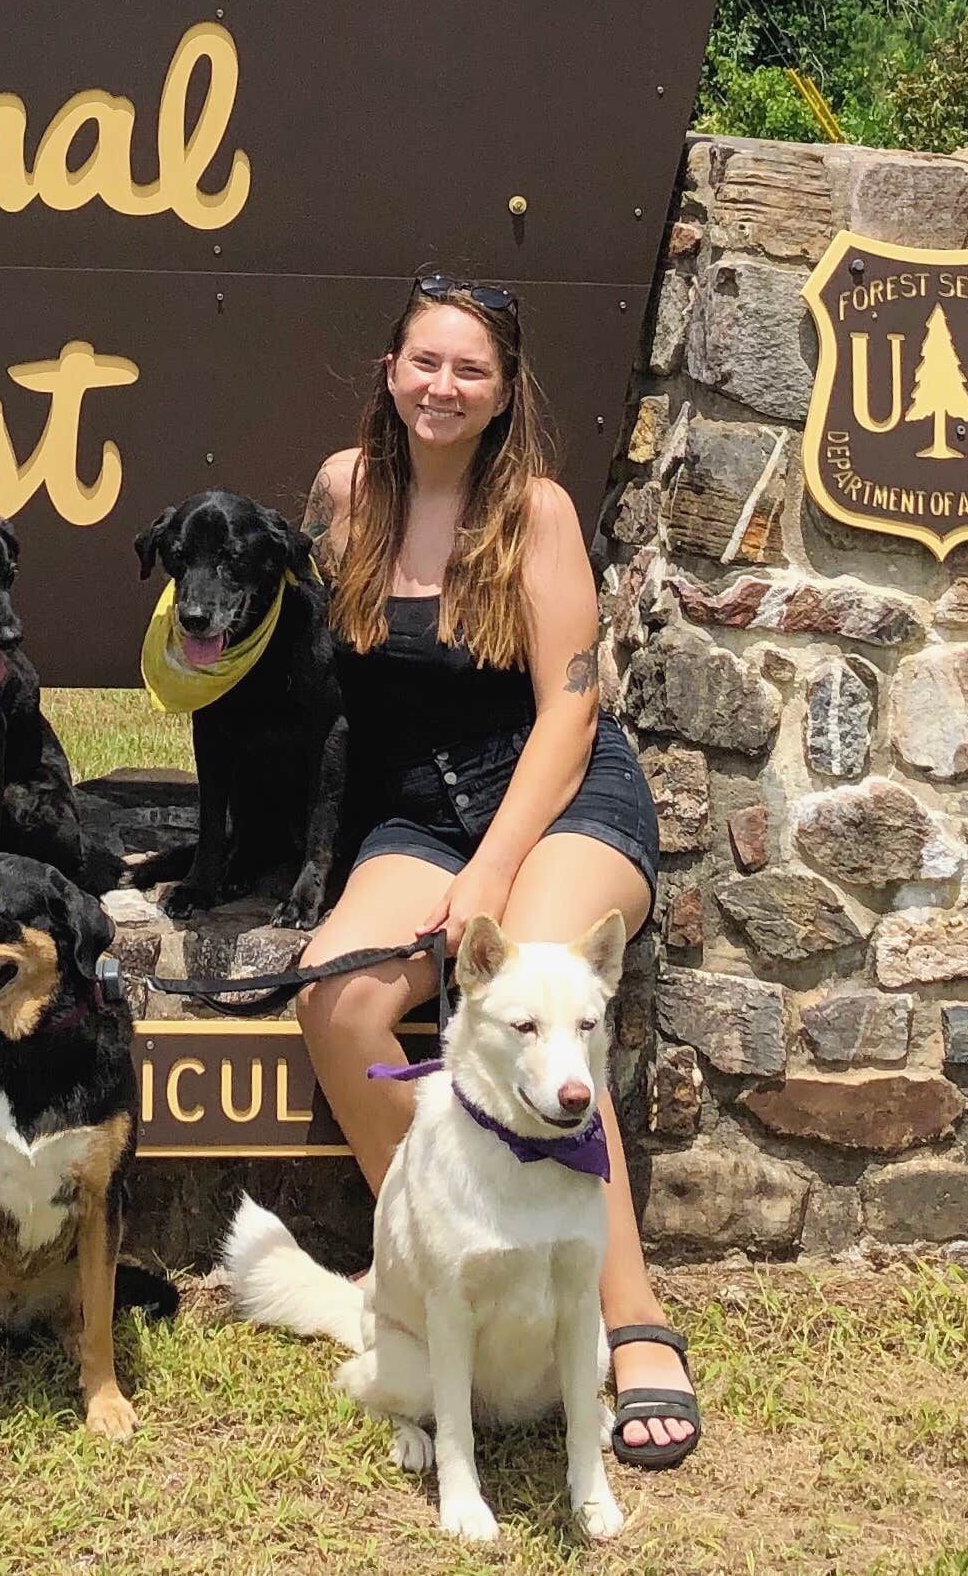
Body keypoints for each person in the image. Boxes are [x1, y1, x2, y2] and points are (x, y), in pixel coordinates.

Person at [292, 271, 700, 1469]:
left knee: (540, 996)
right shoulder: (342, 493)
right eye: (425, 360)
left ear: (503, 389)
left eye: (470, 368)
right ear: (389, 368)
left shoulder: (538, 512)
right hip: (414, 816)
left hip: (556, 797)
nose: (442, 385)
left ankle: (629, 1326)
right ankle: (433, 1264)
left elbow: (569, 715)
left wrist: (489, 877)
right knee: (340, 995)